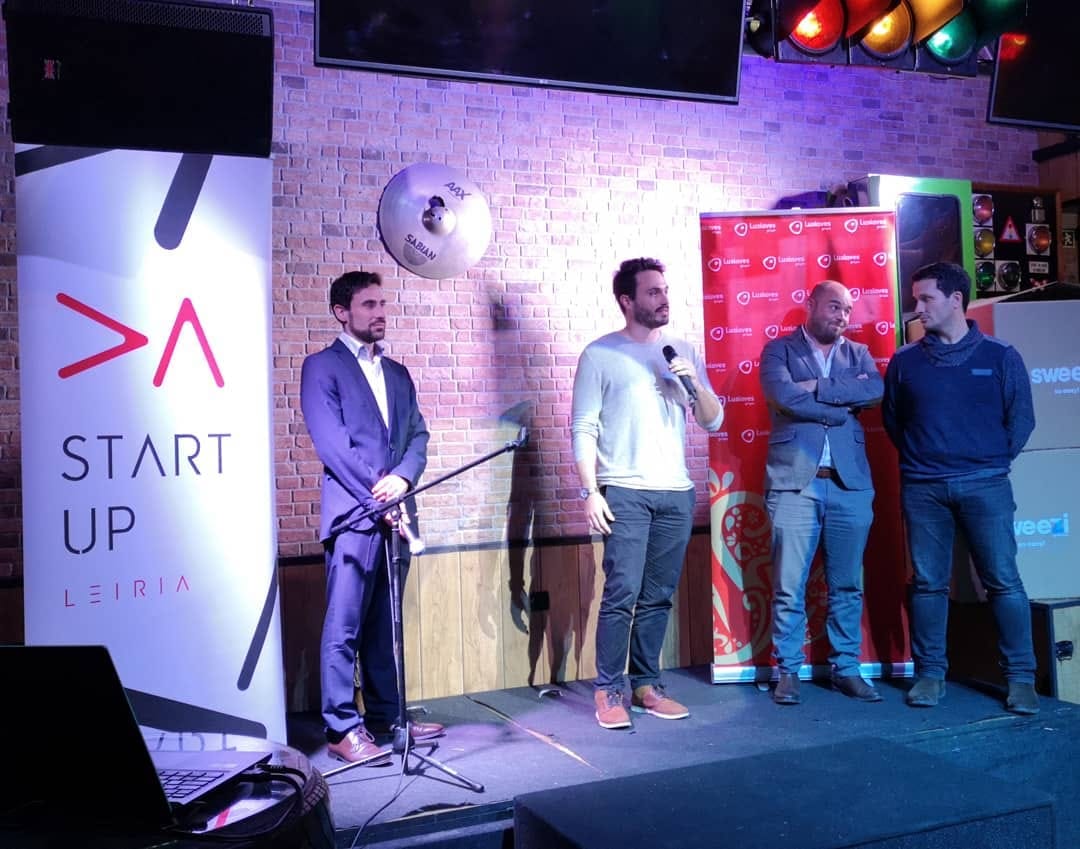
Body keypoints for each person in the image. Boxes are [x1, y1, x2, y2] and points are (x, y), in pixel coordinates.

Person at [571, 257, 724, 730]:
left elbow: (713, 420)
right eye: (653, 291)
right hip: (625, 491)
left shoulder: (681, 351)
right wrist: (590, 491)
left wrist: (691, 382)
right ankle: (608, 690)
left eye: (665, 290)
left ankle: (645, 686)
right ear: (627, 300)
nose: (663, 299)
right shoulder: (600, 355)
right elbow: (583, 427)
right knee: (622, 593)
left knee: (658, 596)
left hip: (675, 492)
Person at [300, 270, 444, 765]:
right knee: (344, 627)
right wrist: (381, 492)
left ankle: (389, 718)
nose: (380, 312)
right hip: (355, 517)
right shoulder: (322, 367)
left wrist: (402, 479)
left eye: (382, 304)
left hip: (397, 515)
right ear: (341, 312)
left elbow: (418, 436)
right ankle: (342, 728)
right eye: (368, 305)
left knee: (386, 627)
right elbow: (333, 445)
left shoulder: (398, 373)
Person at [883, 261, 1039, 715]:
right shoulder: (905, 361)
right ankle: (930, 675)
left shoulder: (1001, 356)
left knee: (1003, 582)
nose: (918, 307)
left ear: (956, 300)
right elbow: (895, 421)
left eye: (926, 298)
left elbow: (1021, 420)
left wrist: (988, 462)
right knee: (928, 584)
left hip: (985, 485)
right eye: (916, 298)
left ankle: (1021, 679)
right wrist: (926, 461)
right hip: (924, 488)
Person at [760, 281, 883, 706]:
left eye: (847, 310)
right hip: (794, 483)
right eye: (834, 307)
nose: (842, 316)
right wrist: (840, 406)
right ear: (810, 305)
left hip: (850, 485)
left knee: (847, 585)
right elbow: (783, 396)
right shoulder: (779, 350)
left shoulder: (859, 354)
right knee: (789, 584)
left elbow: (874, 390)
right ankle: (788, 672)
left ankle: (845, 669)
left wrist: (816, 386)